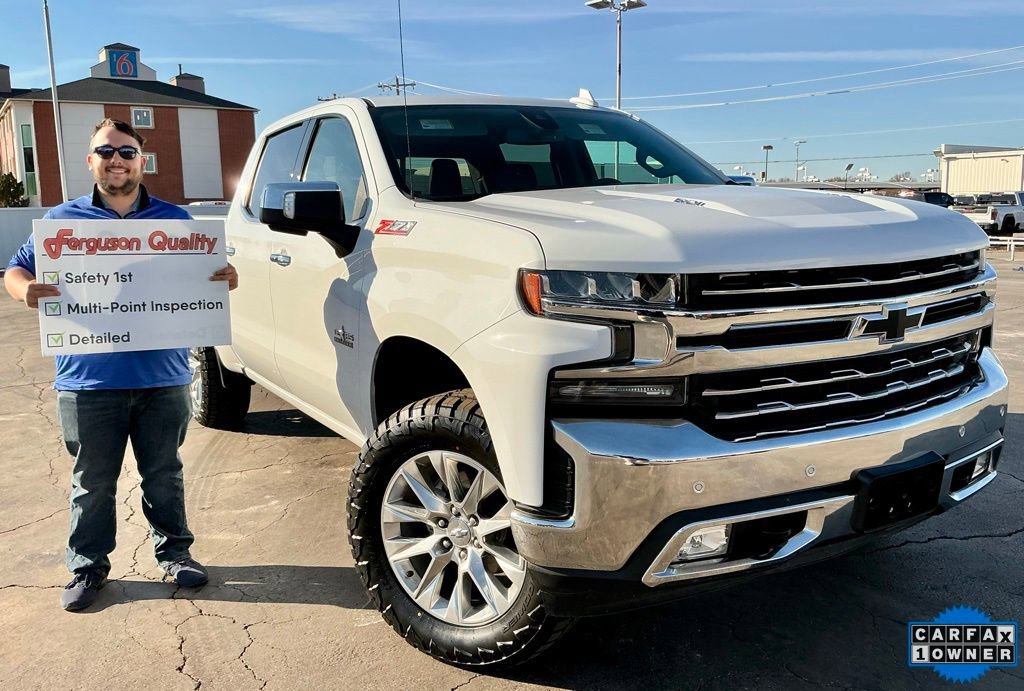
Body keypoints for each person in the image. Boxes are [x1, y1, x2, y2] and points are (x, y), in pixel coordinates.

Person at [4, 118, 238, 611]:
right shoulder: (60, 224)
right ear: (90, 161)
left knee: (164, 474)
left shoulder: (175, 220)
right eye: (105, 151)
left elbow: (205, 273)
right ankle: (88, 568)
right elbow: (16, 269)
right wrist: (25, 290)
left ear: (141, 160)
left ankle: (175, 555)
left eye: (126, 152)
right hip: (88, 381)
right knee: (92, 481)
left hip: (163, 378)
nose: (117, 160)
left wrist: (223, 277)